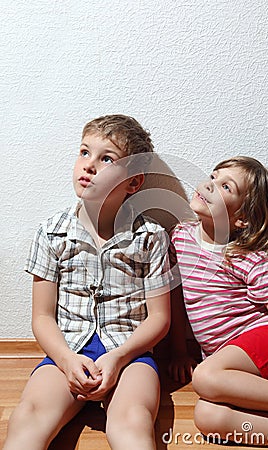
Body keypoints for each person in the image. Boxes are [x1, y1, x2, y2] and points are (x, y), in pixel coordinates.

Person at [3, 115, 172, 450]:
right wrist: (66, 360)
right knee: (28, 416)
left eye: (106, 158)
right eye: (84, 152)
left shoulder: (151, 236)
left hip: (130, 353)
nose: (89, 165)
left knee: (133, 420)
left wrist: (119, 357)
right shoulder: (52, 232)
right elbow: (42, 317)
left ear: (133, 183)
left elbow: (159, 318)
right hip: (67, 350)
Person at [169, 156, 268, 445]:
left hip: (267, 343)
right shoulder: (180, 238)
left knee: (204, 378)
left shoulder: (247, 257)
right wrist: (180, 351)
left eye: (225, 187)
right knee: (208, 417)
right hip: (232, 367)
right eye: (213, 176)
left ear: (241, 218)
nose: (210, 184)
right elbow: (178, 300)